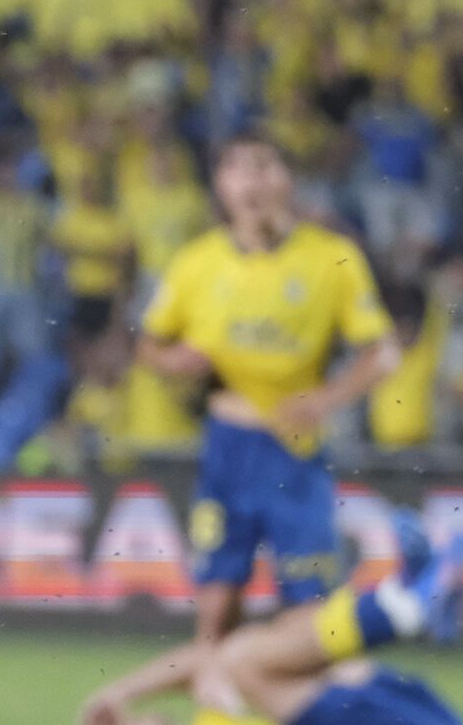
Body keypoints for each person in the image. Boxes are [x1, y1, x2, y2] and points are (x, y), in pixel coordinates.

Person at [139, 133, 400, 657]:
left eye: (264, 166)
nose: (251, 181)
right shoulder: (196, 261)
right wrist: (177, 363)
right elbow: (149, 344)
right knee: (215, 611)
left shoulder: (333, 258)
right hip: (227, 448)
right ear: (221, 184)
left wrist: (325, 400)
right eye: (237, 168)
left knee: (312, 614)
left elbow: (383, 352)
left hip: (294, 452)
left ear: (288, 179)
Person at [78, 513, 463, 725]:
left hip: (383, 700)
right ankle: (400, 607)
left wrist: (118, 692)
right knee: (247, 657)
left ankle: (400, 606)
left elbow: (205, 659)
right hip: (372, 708)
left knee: (258, 650)